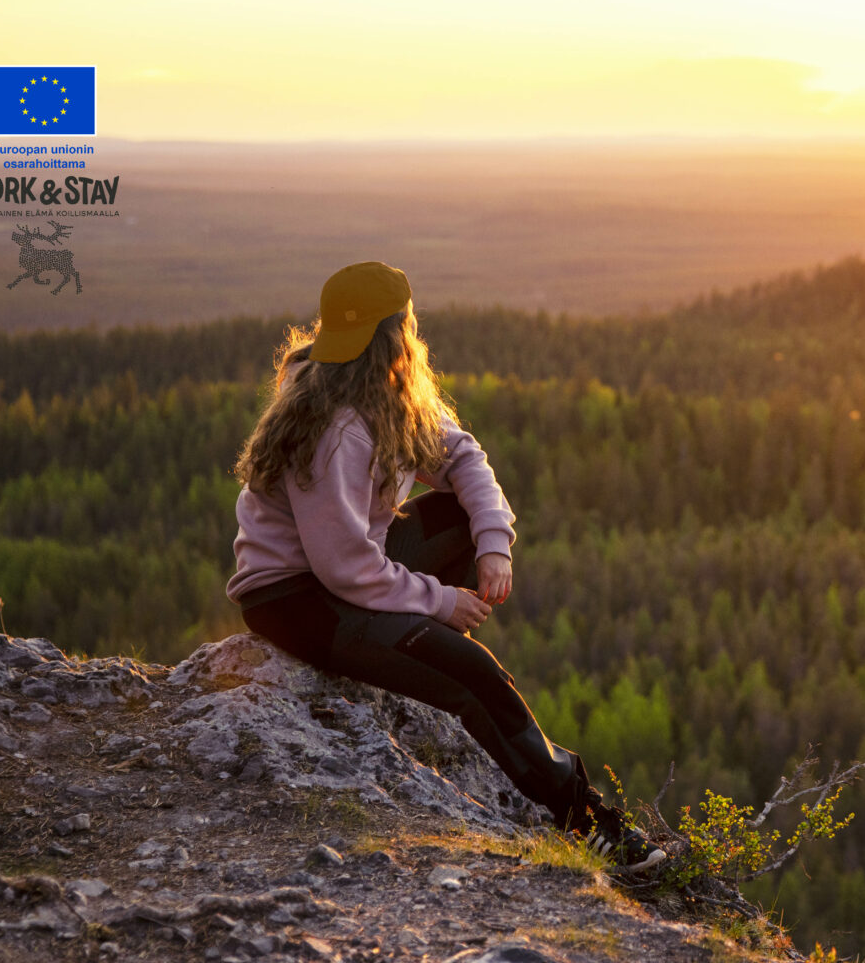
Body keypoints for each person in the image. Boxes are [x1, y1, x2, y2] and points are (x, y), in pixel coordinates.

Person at [225, 260, 666, 876]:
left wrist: (492, 543)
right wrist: (440, 603)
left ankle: (413, 646)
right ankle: (586, 823)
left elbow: (460, 452)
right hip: (301, 601)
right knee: (474, 677)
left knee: (462, 515)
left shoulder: (374, 393)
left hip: (349, 571)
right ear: (397, 336)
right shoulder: (337, 429)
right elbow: (344, 567)